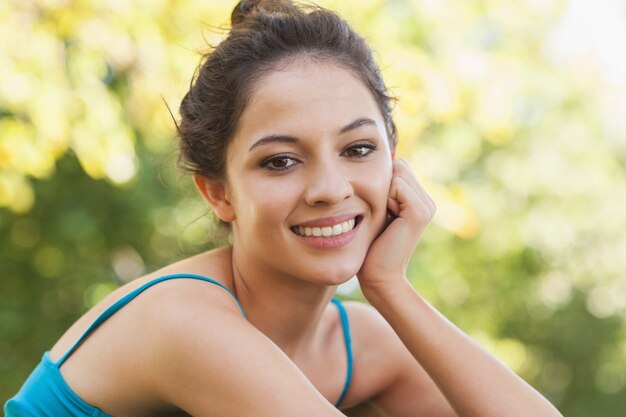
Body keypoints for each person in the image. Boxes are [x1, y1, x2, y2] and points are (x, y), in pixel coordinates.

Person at [5, 1, 564, 416]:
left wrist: (391, 285)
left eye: (358, 149)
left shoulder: (359, 340)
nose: (329, 187)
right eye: (279, 161)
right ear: (218, 193)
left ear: (396, 164)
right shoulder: (184, 323)